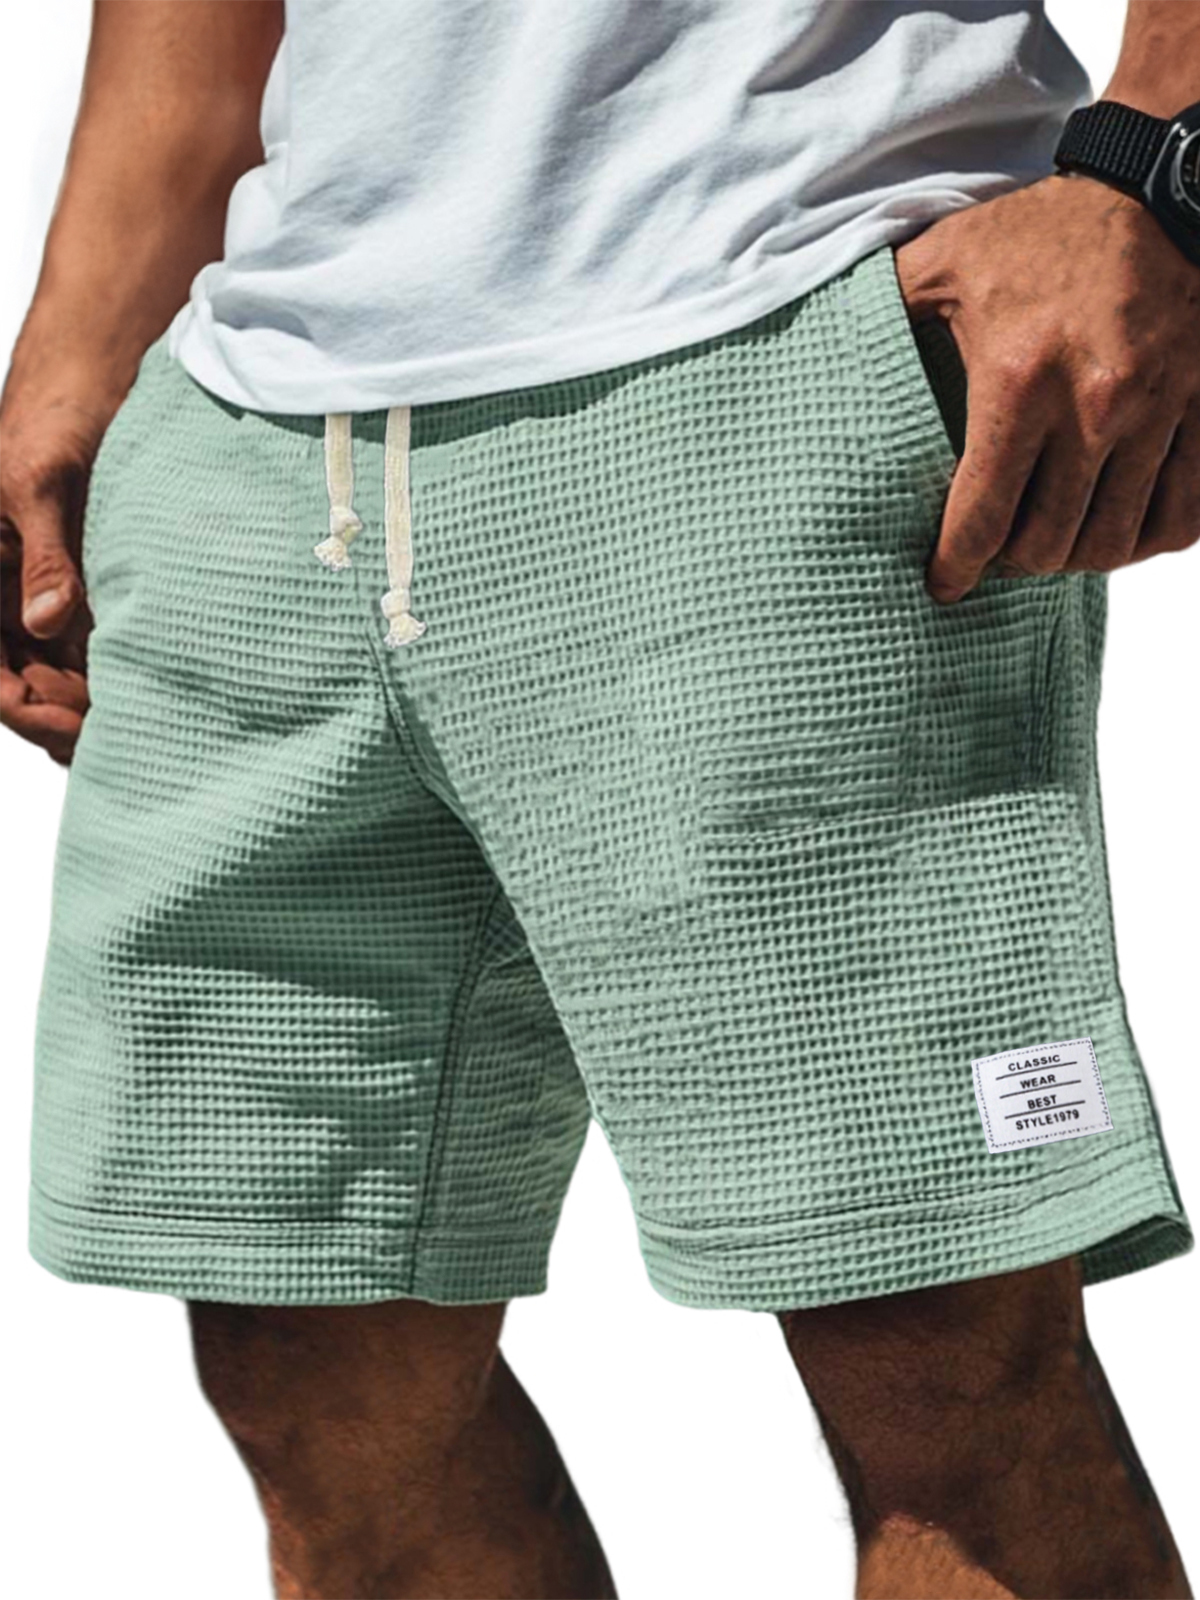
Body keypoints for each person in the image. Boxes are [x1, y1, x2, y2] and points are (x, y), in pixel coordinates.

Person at [2, 0, 1197, 1595]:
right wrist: (76, 359)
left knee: (934, 1346)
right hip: (258, 429)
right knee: (311, 1352)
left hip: (772, 327)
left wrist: (1159, 164)